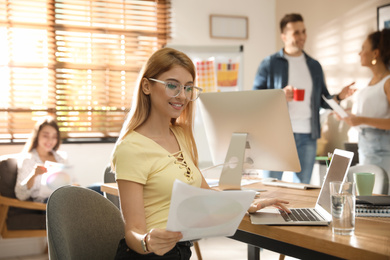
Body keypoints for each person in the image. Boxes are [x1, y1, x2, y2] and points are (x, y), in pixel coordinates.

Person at [111, 47, 290, 260]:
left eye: (188, 88)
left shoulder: (181, 135)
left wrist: (247, 204)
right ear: (147, 86)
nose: (182, 96)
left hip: (180, 252)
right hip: (148, 255)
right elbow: (133, 232)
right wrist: (147, 241)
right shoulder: (131, 148)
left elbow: (206, 196)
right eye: (172, 86)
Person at [253, 13, 355, 184]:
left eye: (303, 31)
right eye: (296, 33)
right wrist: (279, 95)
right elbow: (255, 98)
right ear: (284, 36)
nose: (302, 37)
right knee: (270, 185)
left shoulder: (314, 66)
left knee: (302, 187)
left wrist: (339, 96)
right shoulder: (269, 63)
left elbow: (323, 100)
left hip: (308, 135)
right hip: (277, 134)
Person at [15, 116, 102, 203]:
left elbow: (73, 182)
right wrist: (34, 175)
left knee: (101, 188)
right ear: (37, 135)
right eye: (46, 136)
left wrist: (75, 186)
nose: (50, 140)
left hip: (67, 196)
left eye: (54, 137)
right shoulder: (28, 159)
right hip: (48, 202)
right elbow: (21, 195)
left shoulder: (61, 157)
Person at [340, 29, 390, 176]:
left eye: (363, 49)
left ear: (375, 53)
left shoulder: (388, 82)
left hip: (382, 151)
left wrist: (361, 119)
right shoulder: (372, 82)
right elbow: (372, 115)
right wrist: (349, 116)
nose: (359, 53)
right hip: (366, 148)